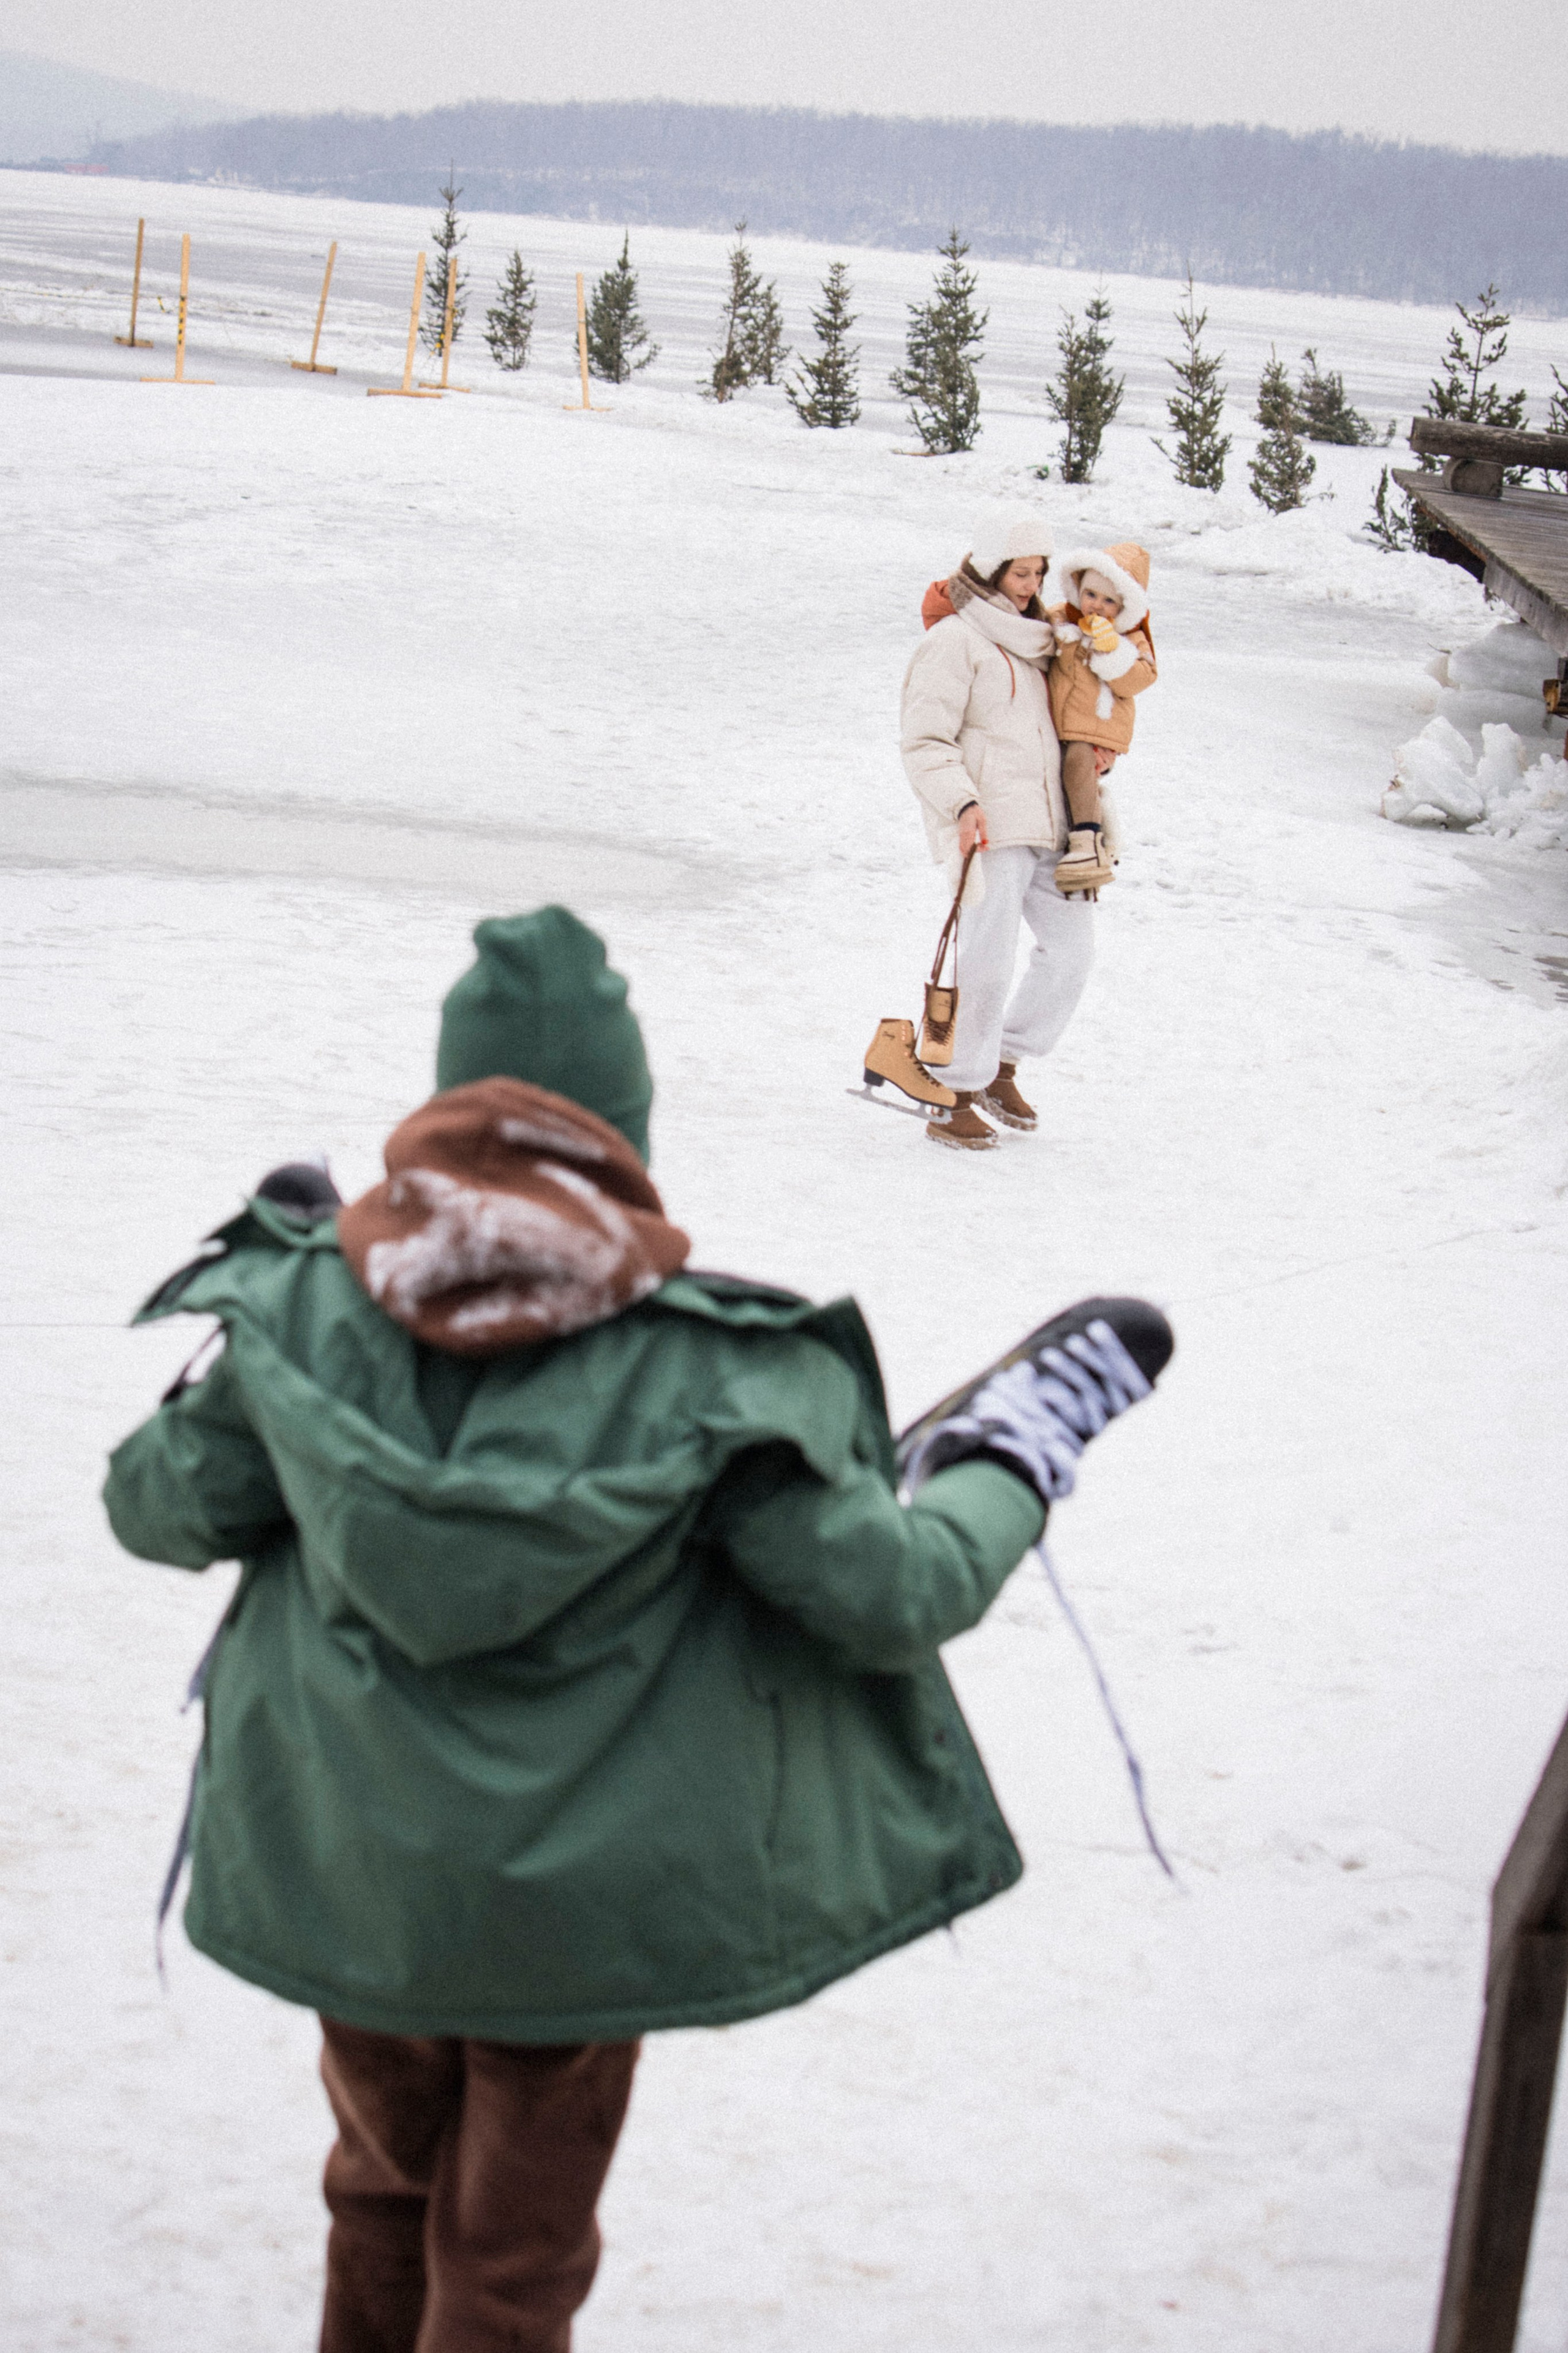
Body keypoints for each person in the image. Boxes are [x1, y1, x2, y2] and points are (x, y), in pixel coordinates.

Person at [102, 905, 1172, 2353]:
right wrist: (1008, 1456)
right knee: (511, 2257)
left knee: (379, 2190)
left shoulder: (308, 1317)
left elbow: (157, 1509)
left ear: (443, 1119)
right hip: (575, 1922)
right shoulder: (709, 1379)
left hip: (352, 1869)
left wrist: (265, 1330)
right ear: (621, 1138)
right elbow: (896, 1592)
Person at [881, 508, 1095, 1154]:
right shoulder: (955, 641)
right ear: (988, 567)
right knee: (987, 960)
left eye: (1037, 573)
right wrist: (961, 802)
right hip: (990, 824)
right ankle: (953, 1092)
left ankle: (1003, 1062)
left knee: (1072, 951)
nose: (1029, 585)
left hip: (1049, 824)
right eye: (1018, 571)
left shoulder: (1041, 644)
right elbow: (924, 741)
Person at [1046, 543, 1158, 899]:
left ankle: (1088, 843)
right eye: (1091, 594)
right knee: (1065, 776)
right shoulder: (1062, 617)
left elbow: (1140, 679)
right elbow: (1027, 627)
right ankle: (1101, 828)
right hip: (1059, 725)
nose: (1096, 605)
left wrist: (1112, 650)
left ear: (1125, 607)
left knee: (1079, 762)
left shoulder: (1131, 639)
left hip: (1097, 730)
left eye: (1109, 601)